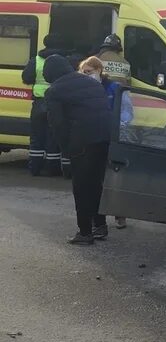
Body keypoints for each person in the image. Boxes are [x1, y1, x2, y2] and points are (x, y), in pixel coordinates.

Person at [44, 54, 112, 245]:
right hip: (104, 138)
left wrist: (66, 148)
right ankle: (100, 225)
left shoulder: (55, 91)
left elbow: (57, 124)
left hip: (82, 141)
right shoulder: (92, 83)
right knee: (96, 183)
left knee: (82, 187)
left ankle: (84, 232)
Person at [79, 56, 133, 229]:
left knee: (115, 179)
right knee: (96, 180)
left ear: (99, 70)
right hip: (93, 138)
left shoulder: (114, 88)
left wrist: (118, 127)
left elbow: (126, 111)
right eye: (84, 72)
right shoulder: (83, 88)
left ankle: (120, 215)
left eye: (90, 72)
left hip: (112, 138)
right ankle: (99, 220)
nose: (87, 75)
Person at [21, 33, 71, 176]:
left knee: (36, 137)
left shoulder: (36, 60)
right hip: (56, 104)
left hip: (38, 103)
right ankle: (52, 169)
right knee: (53, 138)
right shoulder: (63, 60)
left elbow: (26, 78)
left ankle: (34, 169)